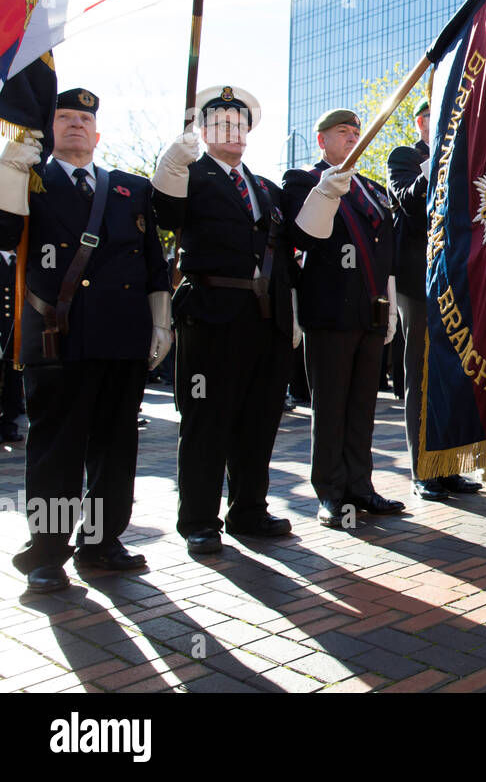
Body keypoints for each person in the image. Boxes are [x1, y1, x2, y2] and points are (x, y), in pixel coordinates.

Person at [0, 88, 171, 593]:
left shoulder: (130, 189)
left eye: (84, 119)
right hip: (58, 336)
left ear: (97, 134)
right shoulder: (30, 180)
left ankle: (101, 543)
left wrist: (160, 321)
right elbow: (5, 235)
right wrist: (9, 174)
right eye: (65, 117)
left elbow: (152, 262)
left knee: (116, 445)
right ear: (49, 129)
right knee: (57, 446)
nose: (75, 125)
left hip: (122, 335)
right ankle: (48, 552)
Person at [152, 85, 296, 555]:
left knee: (259, 420)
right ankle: (199, 520)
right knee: (207, 420)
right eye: (221, 124)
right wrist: (171, 166)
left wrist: (292, 313)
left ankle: (249, 509)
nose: (232, 132)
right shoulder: (190, 176)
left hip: (266, 318)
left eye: (239, 124)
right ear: (203, 131)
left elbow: (292, 250)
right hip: (212, 315)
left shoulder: (267, 189)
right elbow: (167, 215)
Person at [282, 109, 404, 527]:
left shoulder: (370, 188)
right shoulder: (302, 180)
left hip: (370, 313)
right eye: (342, 132)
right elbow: (304, 236)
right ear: (322, 141)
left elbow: (385, 248)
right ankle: (331, 493)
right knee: (330, 407)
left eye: (356, 132)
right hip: (329, 312)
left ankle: (361, 486)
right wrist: (326, 193)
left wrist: (387, 302)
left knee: (362, 407)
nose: (353, 137)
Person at [387, 99, 479, 500]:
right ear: (424, 122)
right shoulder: (405, 156)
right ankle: (424, 469)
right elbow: (409, 201)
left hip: (454, 282)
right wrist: (440, 157)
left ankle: (450, 466)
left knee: (453, 376)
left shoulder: (464, 159)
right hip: (419, 284)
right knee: (422, 376)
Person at [0, 248, 23, 441]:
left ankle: (9, 424)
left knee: (13, 379)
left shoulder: (20, 259)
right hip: (1, 328)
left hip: (14, 330)